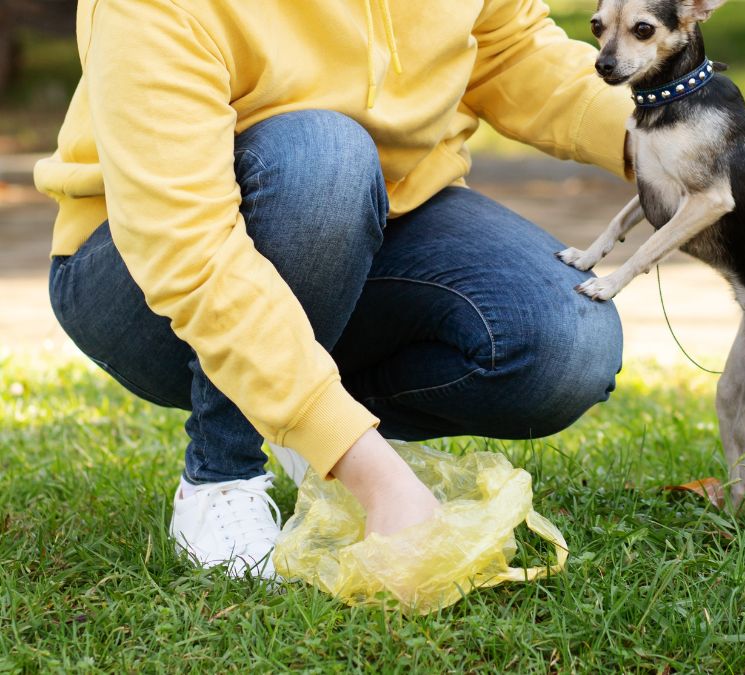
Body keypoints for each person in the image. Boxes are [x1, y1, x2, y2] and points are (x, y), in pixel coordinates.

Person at [36, 0, 632, 578]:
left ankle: (308, 411)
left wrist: (663, 139)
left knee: (569, 345)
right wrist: (381, 482)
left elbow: (509, 49)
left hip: (386, 219)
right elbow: (187, 250)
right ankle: (221, 476)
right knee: (325, 158)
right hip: (143, 276)